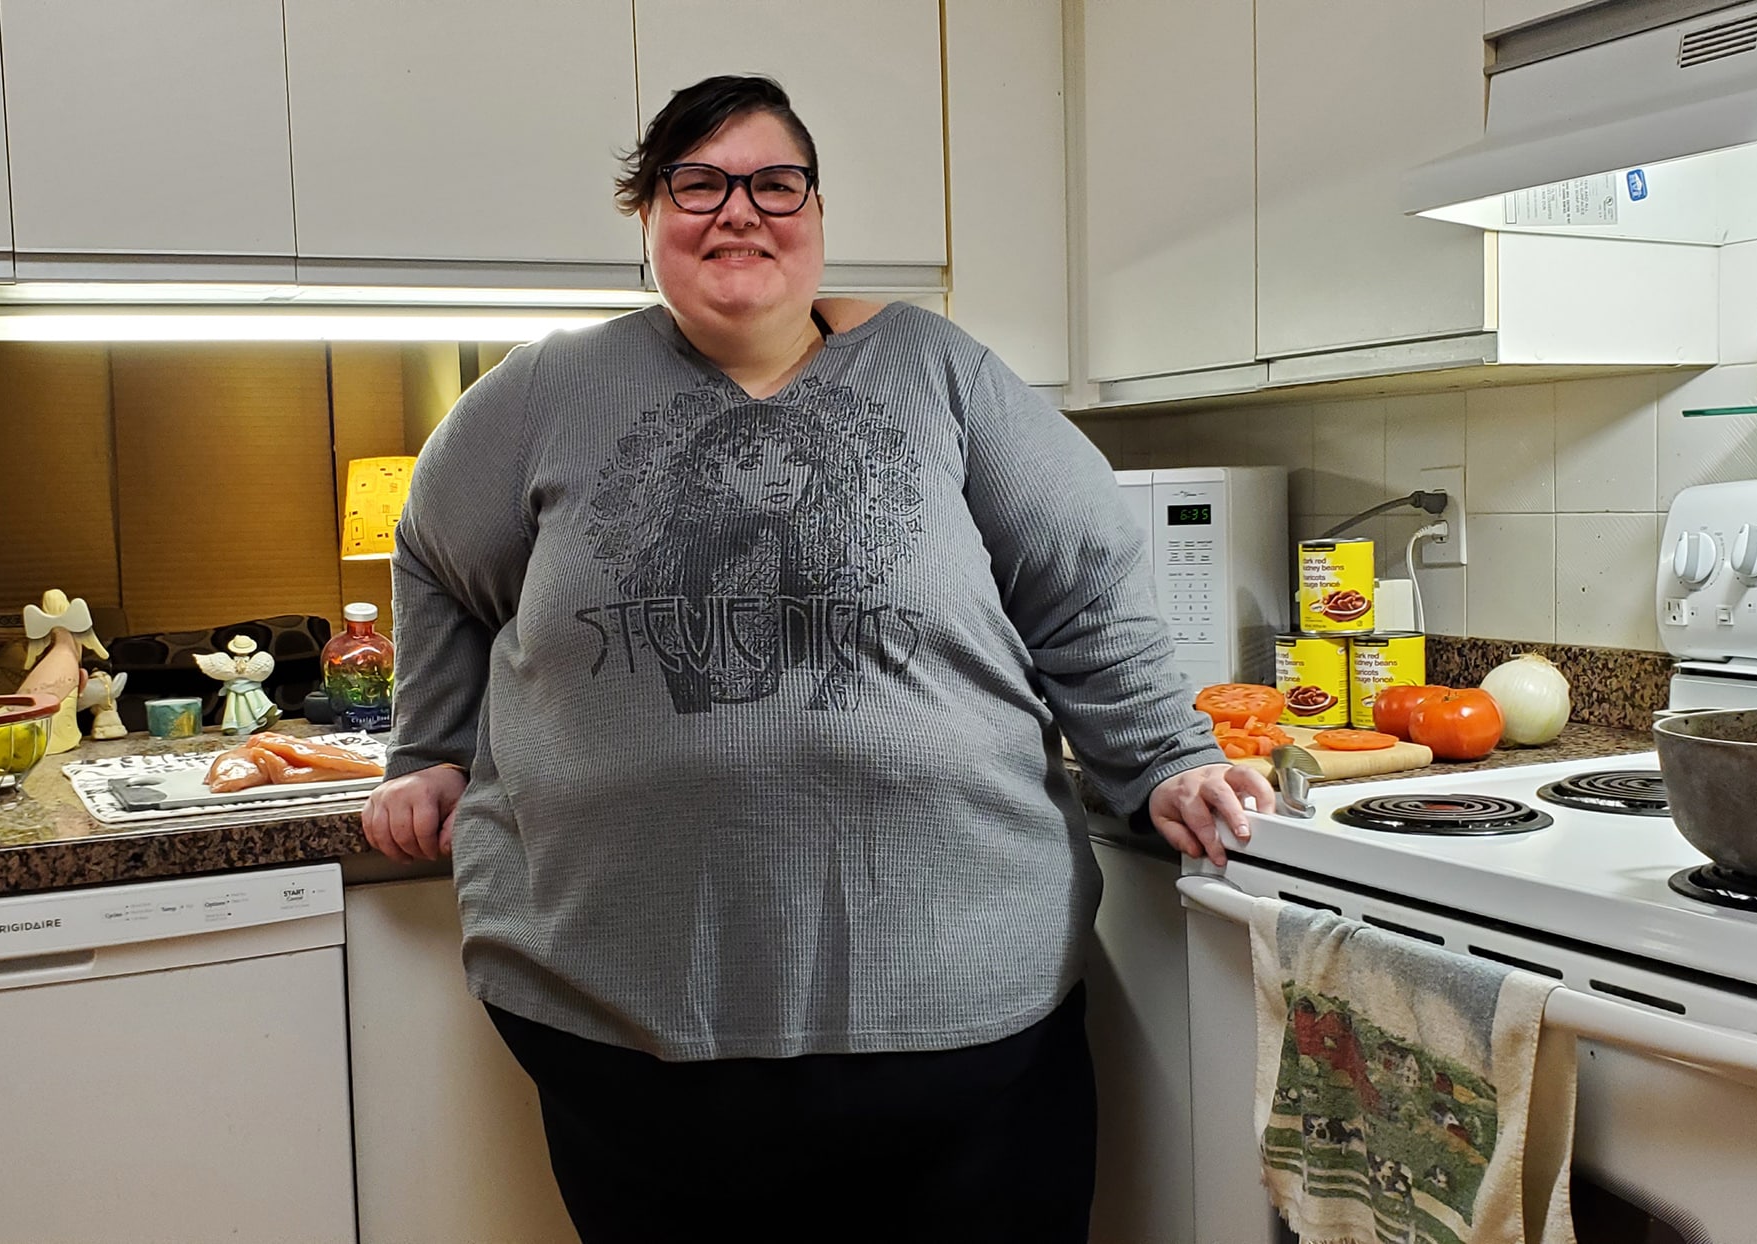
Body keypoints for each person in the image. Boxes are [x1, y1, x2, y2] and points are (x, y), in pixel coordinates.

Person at [361, 74, 1273, 1244]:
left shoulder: (938, 373)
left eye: (772, 182)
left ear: (817, 212)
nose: (738, 210)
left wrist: (1162, 756)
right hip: (626, 1030)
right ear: (646, 217)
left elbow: (1083, 580)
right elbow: (433, 555)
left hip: (961, 1022)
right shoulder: (545, 389)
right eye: (697, 183)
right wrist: (429, 747)